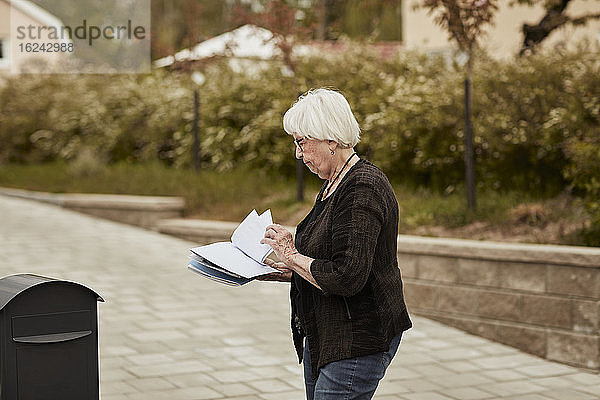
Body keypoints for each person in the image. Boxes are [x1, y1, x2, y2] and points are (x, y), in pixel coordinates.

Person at [259, 88, 412, 400]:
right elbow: (330, 260)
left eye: (301, 143)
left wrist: (290, 254)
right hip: (326, 334)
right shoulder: (335, 183)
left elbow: (347, 275)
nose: (298, 154)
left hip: (357, 339)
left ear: (330, 139)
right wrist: (284, 269)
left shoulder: (362, 188)